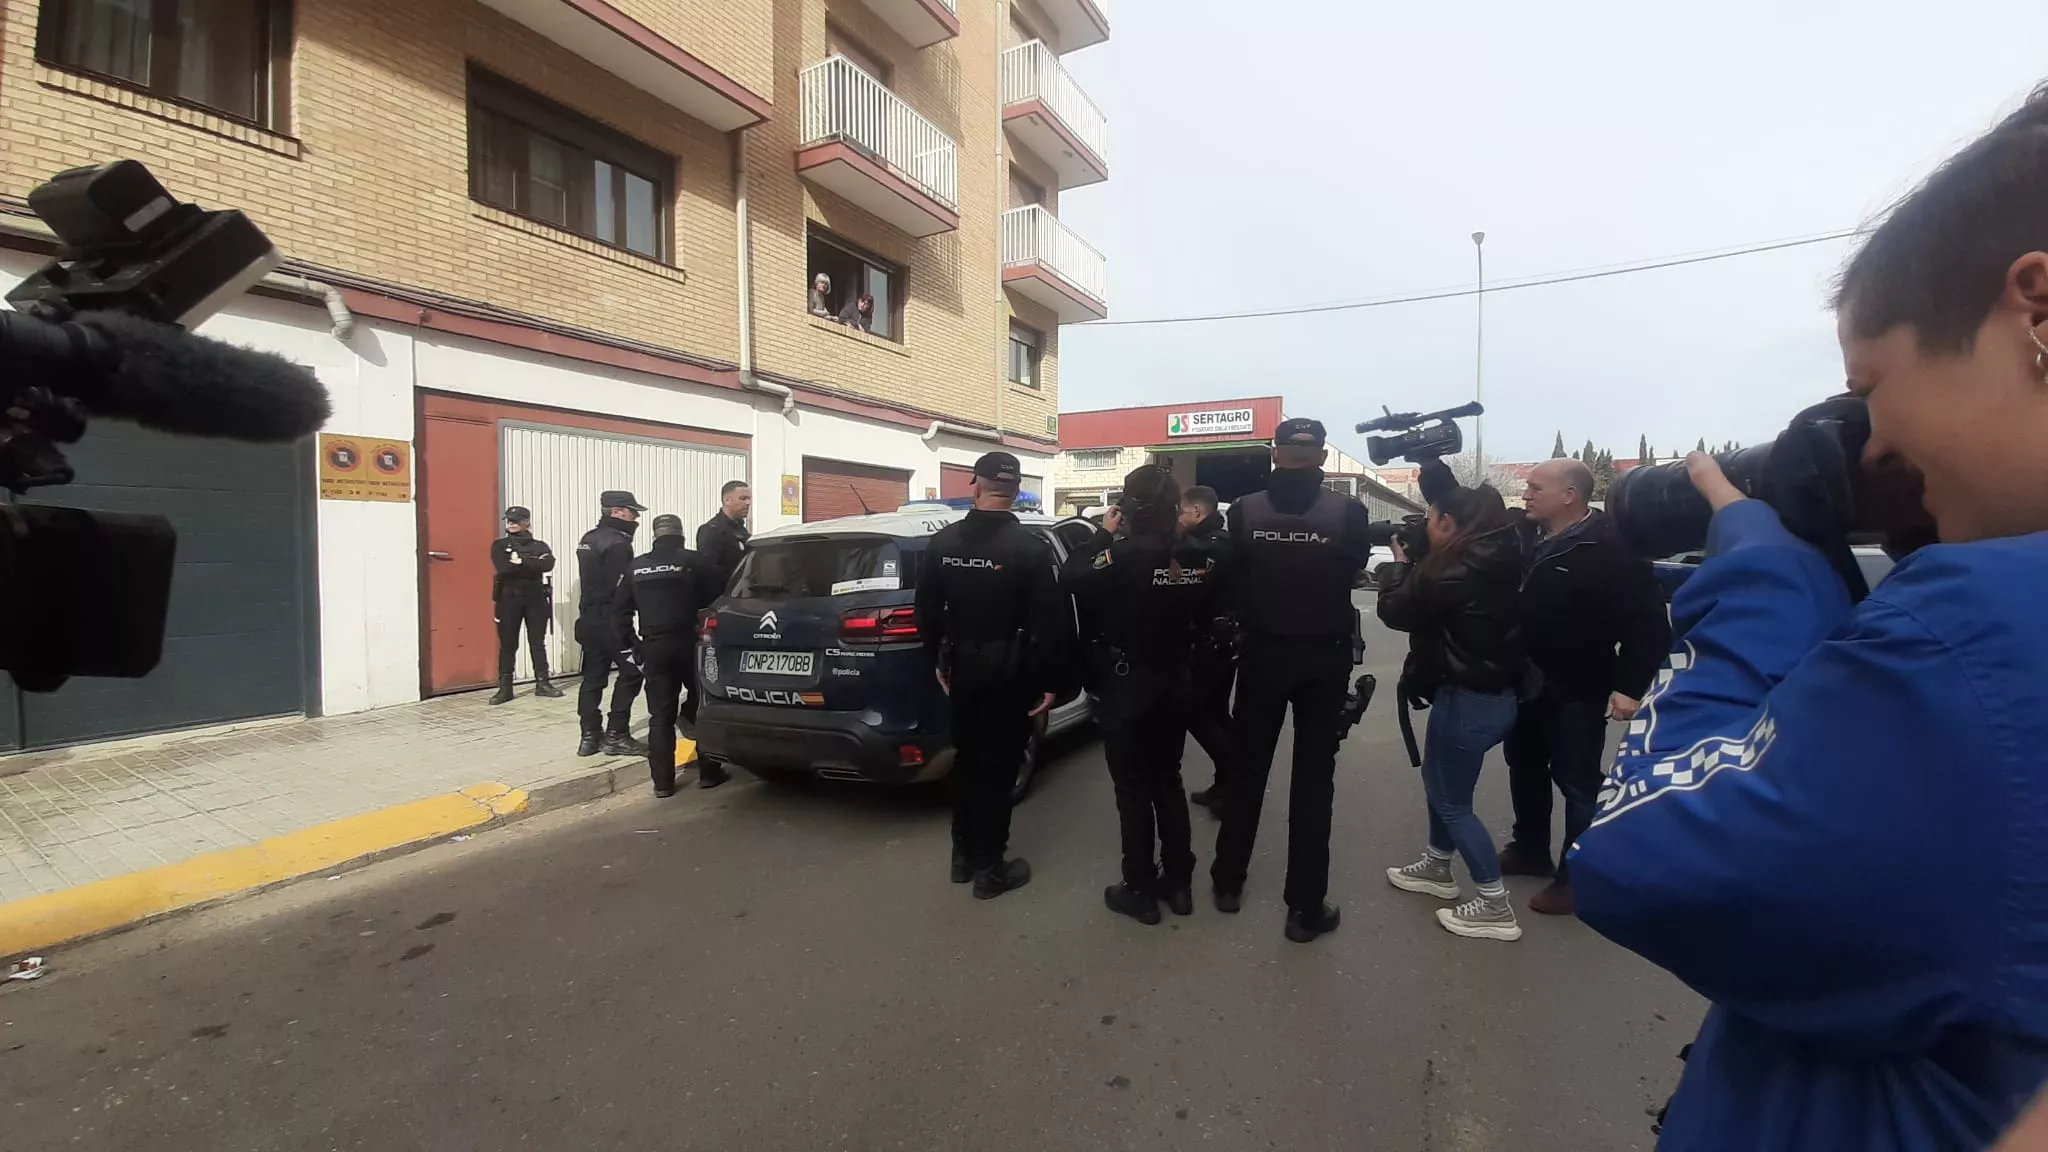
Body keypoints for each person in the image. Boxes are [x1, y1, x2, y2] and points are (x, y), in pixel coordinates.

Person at [1571, 83, 2048, 1150]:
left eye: (1868, 384)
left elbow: (1641, 850)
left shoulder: (1976, 637)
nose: (1871, 449)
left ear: (2035, 310)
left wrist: (1759, 574)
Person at [1210, 418, 1373, 943]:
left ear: (1274, 453)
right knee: (1312, 780)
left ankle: (1227, 882)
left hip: (1261, 655)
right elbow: (1351, 574)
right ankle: (1304, 909)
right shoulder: (1350, 513)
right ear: (1322, 457)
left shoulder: (1244, 511)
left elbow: (1233, 579)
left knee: (1247, 768)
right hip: (1323, 658)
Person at [1498, 457, 1670, 915]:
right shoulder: (1525, 534)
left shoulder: (1612, 547)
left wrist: (1631, 686)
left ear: (1569, 495)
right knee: (1524, 764)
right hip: (1524, 679)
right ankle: (1530, 848)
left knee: (1576, 780)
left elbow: (1648, 626)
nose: (1526, 493)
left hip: (1578, 685)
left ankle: (1577, 877)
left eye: (1536, 487)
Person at [1061, 466, 1217, 925]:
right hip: (1176, 679)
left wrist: (1099, 539)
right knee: (1167, 779)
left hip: (1130, 682)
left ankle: (1139, 889)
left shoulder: (1122, 554)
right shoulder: (1197, 554)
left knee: (1132, 791)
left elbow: (1071, 578)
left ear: (1130, 505)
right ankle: (1180, 885)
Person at [913, 451, 1071, 900]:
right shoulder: (1029, 548)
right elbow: (1051, 621)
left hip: (963, 666)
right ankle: (990, 868)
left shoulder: (944, 543)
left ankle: (962, 857)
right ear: (1016, 490)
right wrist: (1050, 682)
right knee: (999, 766)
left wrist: (938, 662)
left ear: (975, 486)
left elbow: (925, 612)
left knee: (966, 760)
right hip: (1011, 669)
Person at [1376, 483, 1527, 941]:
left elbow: (1395, 610)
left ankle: (1495, 906)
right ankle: (1438, 866)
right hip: (1487, 692)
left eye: (1428, 518)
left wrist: (1401, 563)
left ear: (1447, 523)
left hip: (1470, 698)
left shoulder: (1452, 571)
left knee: (1453, 802)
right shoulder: (1495, 553)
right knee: (1441, 787)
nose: (1423, 526)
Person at [613, 514, 724, 796]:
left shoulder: (636, 567)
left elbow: (619, 613)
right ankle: (709, 773)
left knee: (660, 717)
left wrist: (634, 645)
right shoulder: (695, 561)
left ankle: (663, 783)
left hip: (654, 647)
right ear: (681, 534)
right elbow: (720, 597)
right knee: (702, 707)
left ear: (654, 535)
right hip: (692, 644)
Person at [575, 490, 649, 758]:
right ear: (617, 512)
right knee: (633, 672)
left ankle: (589, 735)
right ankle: (616, 734)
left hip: (588, 619)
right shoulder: (619, 544)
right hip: (611, 621)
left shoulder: (588, 539)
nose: (636, 517)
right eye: (632, 511)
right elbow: (622, 589)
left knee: (593, 678)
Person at [1178, 485, 1237, 816]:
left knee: (1193, 712)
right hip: (1222, 642)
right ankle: (1225, 786)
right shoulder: (1221, 540)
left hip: (1210, 643)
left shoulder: (1209, 548)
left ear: (1196, 512)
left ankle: (1236, 776)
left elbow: (1195, 591)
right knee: (1215, 712)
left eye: (1181, 512)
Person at [488, 506, 562, 705]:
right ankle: (505, 688)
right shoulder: (499, 545)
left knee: (537, 642)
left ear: (527, 522)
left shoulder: (539, 545)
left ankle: (543, 683)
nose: (511, 523)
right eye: (509, 520)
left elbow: (548, 564)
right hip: (508, 599)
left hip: (535, 598)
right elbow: (504, 568)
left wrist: (520, 562)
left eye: (516, 519)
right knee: (508, 644)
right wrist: (530, 563)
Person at [697, 479, 752, 594]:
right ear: (727, 500)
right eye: (742, 498)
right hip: (724, 598)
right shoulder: (712, 530)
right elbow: (708, 572)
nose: (748, 503)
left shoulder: (741, 529)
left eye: (749, 498)